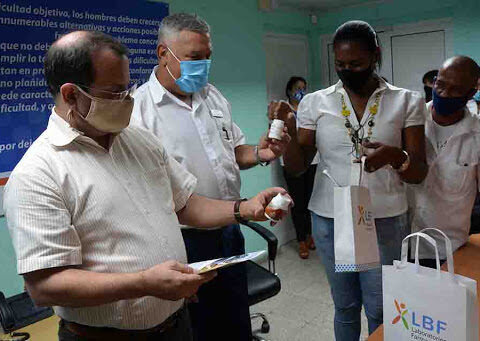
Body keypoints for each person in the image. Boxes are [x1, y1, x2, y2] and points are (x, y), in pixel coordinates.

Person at [3, 30, 288, 341]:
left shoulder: (136, 139)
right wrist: (143, 283)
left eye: (128, 89)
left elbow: (185, 204)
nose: (127, 101)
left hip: (175, 324)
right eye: (114, 93)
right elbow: (45, 287)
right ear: (72, 95)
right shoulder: (38, 174)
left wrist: (245, 208)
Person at [131, 13, 290, 341]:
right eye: (193, 58)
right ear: (163, 54)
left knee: (234, 321)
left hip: (230, 231)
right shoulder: (139, 112)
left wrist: (261, 154)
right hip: (181, 241)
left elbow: (233, 154)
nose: (202, 66)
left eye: (207, 58)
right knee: (196, 329)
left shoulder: (213, 96)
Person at [280, 20, 428, 339]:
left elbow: (418, 171)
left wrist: (393, 156)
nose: (348, 70)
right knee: (345, 305)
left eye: (357, 63)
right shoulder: (315, 102)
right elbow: (296, 166)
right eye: (341, 64)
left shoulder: (407, 100)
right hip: (330, 218)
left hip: (386, 219)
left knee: (380, 307)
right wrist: (289, 134)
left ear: (376, 55)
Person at [409, 56, 480, 268]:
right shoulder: (410, 120)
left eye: (455, 90)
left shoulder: (477, 135)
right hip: (399, 241)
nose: (443, 94)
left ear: (470, 93)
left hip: (447, 250)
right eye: (439, 84)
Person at [269, 76, 317, 259]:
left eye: (304, 88)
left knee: (311, 201)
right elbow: (275, 134)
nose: (302, 92)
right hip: (291, 162)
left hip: (312, 160)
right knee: (298, 202)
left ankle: (310, 235)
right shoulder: (282, 109)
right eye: (298, 88)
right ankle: (301, 241)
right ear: (289, 91)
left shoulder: (309, 107)